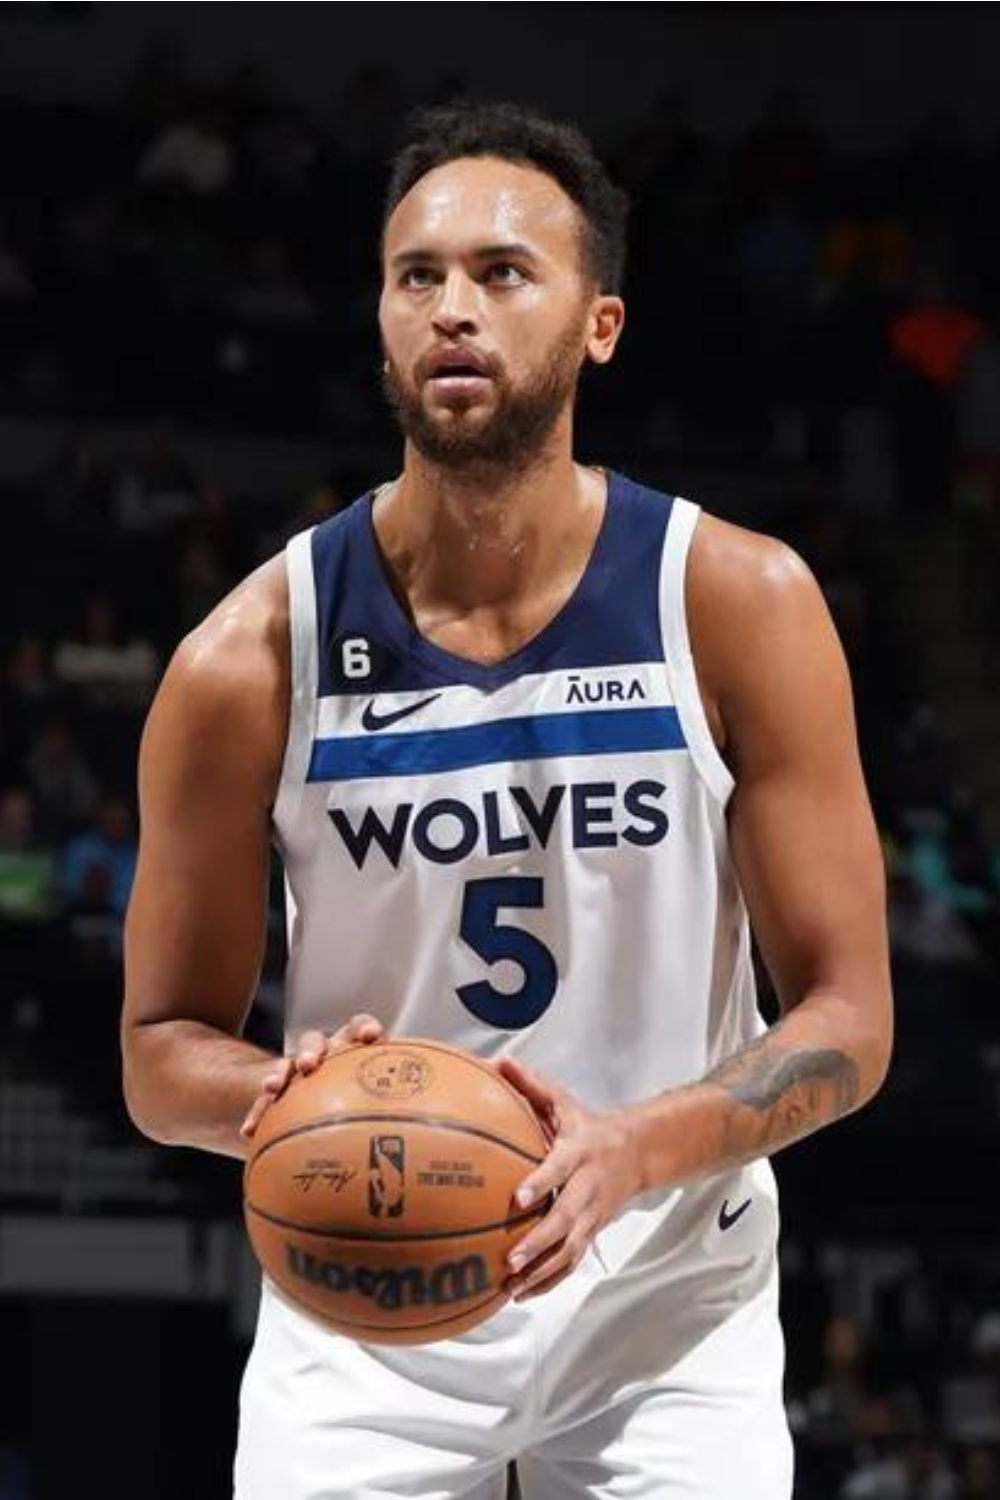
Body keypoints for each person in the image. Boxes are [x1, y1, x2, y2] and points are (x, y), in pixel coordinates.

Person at [121, 102, 894, 1499]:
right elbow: (160, 1048)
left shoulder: (734, 604)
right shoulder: (252, 657)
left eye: (501, 273)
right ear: (377, 320)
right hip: (371, 1307)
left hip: (668, 1301)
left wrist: (633, 1147)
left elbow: (851, 1018)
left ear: (600, 324)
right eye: (416, 276)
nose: (452, 309)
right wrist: (283, 1096)